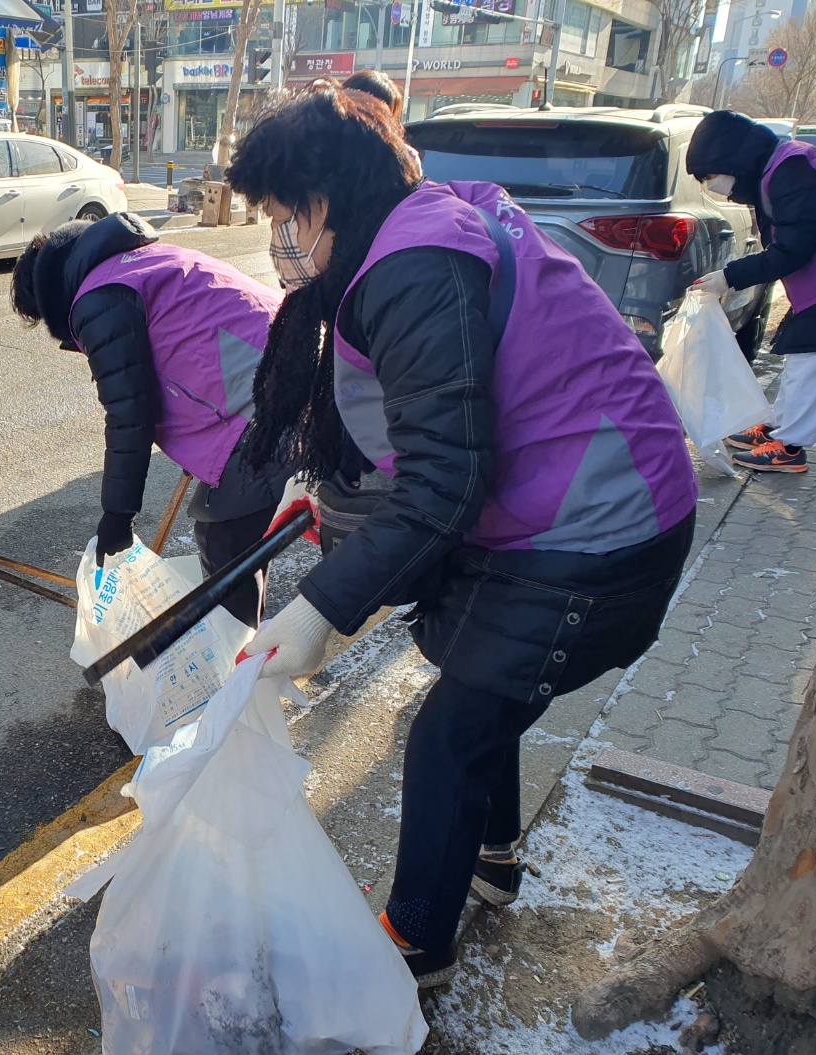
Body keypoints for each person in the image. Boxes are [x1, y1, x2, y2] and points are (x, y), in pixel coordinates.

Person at [226, 82, 698, 987]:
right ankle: (490, 857)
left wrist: (320, 611)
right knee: (488, 691)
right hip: (577, 505)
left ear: (331, 197)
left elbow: (445, 483)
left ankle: (416, 944)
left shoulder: (412, 268)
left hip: (596, 533)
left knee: (449, 731)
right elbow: (428, 429)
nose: (281, 238)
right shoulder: (422, 225)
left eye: (287, 214)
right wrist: (335, 506)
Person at [10, 212, 288, 628]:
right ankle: (245, 643)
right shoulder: (142, 260)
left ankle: (238, 656)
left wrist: (117, 518)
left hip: (270, 398)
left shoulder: (97, 299)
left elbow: (129, 413)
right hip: (292, 363)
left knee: (226, 539)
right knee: (236, 534)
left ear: (48, 300)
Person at [688, 110, 816, 473]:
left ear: (731, 161)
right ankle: (777, 428)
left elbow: (793, 247)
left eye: (710, 176)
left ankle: (790, 446)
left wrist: (730, 276)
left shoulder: (790, 170)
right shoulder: (778, 166)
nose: (712, 187)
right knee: (800, 353)